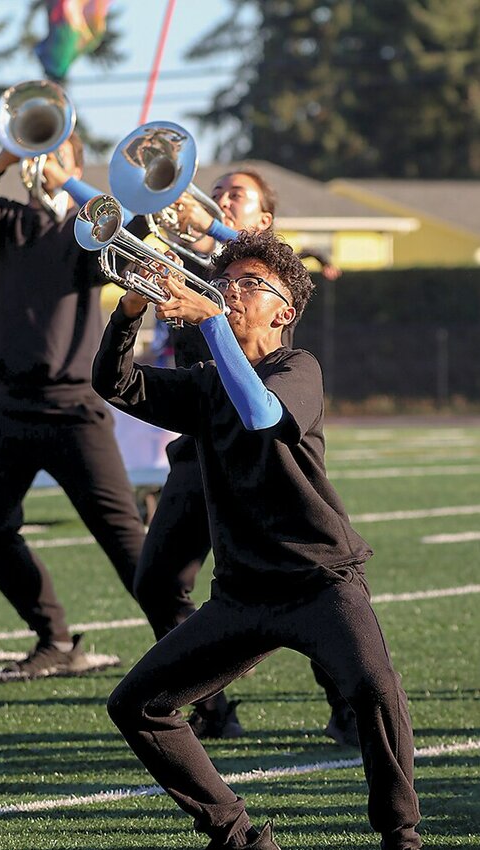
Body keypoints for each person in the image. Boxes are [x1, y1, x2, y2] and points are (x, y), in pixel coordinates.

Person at [92, 229, 422, 850]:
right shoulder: (204, 382)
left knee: (376, 692)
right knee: (137, 704)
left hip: (320, 581)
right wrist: (129, 310)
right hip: (242, 595)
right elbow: (116, 385)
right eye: (226, 284)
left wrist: (214, 320)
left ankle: (401, 836)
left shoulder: (298, 368)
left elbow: (262, 414)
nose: (231, 294)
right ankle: (237, 835)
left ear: (285, 312)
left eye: (250, 285)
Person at [133, 169, 356, 746]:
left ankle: (349, 705)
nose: (222, 198)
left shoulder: (258, 283)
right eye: (221, 190)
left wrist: (210, 228)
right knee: (157, 581)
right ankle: (207, 704)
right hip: (202, 449)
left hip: (264, 448)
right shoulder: (207, 274)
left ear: (264, 223)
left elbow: (261, 401)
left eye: (238, 196)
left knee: (305, 584)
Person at [0, 131, 147, 678]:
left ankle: (195, 651)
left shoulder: (91, 229)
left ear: (75, 166)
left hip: (74, 409)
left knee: (126, 542)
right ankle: (53, 638)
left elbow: (134, 245)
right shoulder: (2, 222)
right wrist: (6, 156)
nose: (44, 162)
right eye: (39, 152)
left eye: (57, 153)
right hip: (3, 406)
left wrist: (74, 188)